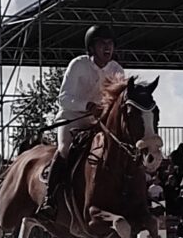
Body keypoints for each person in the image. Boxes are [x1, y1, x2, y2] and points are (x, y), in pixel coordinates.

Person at [38, 24, 125, 216]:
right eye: (102, 43)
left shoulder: (116, 69)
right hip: (72, 118)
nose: (107, 47)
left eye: (110, 43)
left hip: (97, 122)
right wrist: (87, 106)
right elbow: (63, 98)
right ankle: (49, 200)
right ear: (92, 47)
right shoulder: (78, 64)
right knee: (64, 150)